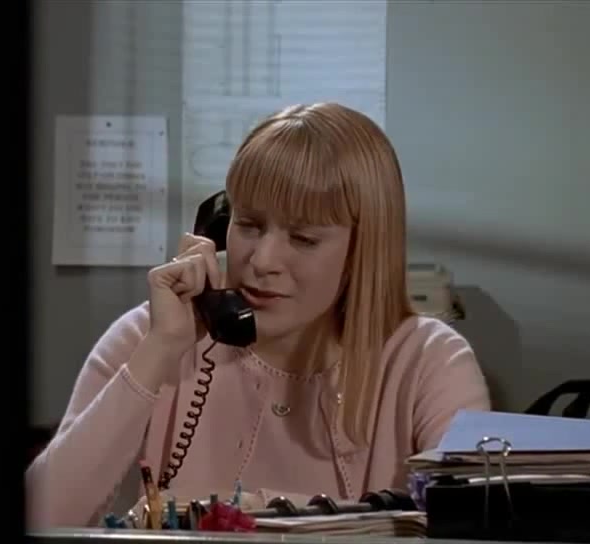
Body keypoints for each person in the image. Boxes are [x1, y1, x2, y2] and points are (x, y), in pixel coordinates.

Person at [25, 102, 490, 529]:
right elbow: (40, 516)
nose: (262, 260)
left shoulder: (428, 360)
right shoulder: (150, 336)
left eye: (303, 238)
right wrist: (159, 351)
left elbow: (480, 526)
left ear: (363, 251)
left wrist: (246, 513)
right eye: (248, 224)